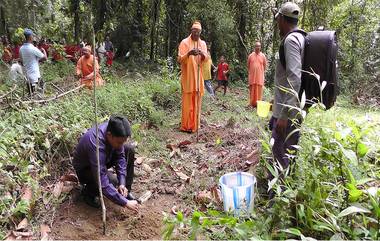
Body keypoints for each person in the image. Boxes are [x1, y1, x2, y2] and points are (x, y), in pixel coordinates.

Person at [268, 2, 305, 187]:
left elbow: (295, 78)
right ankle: (285, 195)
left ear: (282, 19)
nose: (277, 25)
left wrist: (283, 114)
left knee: (279, 154)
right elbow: (288, 77)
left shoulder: (290, 41)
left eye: (278, 20)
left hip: (287, 114)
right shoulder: (301, 38)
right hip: (291, 108)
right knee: (287, 153)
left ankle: (276, 200)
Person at [73, 116, 140, 211]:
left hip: (104, 158)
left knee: (129, 150)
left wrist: (122, 183)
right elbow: (102, 179)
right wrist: (125, 203)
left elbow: (120, 157)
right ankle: (89, 192)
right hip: (86, 169)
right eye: (119, 142)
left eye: (123, 142)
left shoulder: (114, 132)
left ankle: (125, 192)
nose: (121, 145)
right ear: (109, 135)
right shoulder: (95, 144)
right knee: (111, 181)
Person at [177, 21, 208, 133]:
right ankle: (185, 126)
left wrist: (202, 54)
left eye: (198, 32)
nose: (196, 34)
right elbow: (179, 59)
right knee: (187, 103)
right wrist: (188, 54)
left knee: (197, 102)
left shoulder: (203, 44)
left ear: (200, 32)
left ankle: (195, 125)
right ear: (191, 31)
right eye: (194, 31)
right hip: (188, 78)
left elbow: (206, 59)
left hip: (198, 77)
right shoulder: (184, 42)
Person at [19, 29, 47, 94]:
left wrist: (35, 60)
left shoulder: (21, 48)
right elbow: (45, 58)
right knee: (39, 93)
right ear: (30, 37)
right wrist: (44, 50)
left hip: (27, 76)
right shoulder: (33, 48)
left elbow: (22, 62)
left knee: (31, 94)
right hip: (35, 76)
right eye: (33, 36)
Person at [247, 41, 267, 107]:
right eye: (256, 46)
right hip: (252, 76)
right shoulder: (250, 56)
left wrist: (261, 73)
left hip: (259, 77)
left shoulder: (263, 56)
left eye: (259, 46)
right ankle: (251, 103)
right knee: (252, 90)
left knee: (259, 91)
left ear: (260, 47)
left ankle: (258, 104)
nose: (258, 47)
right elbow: (248, 66)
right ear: (254, 47)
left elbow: (264, 66)